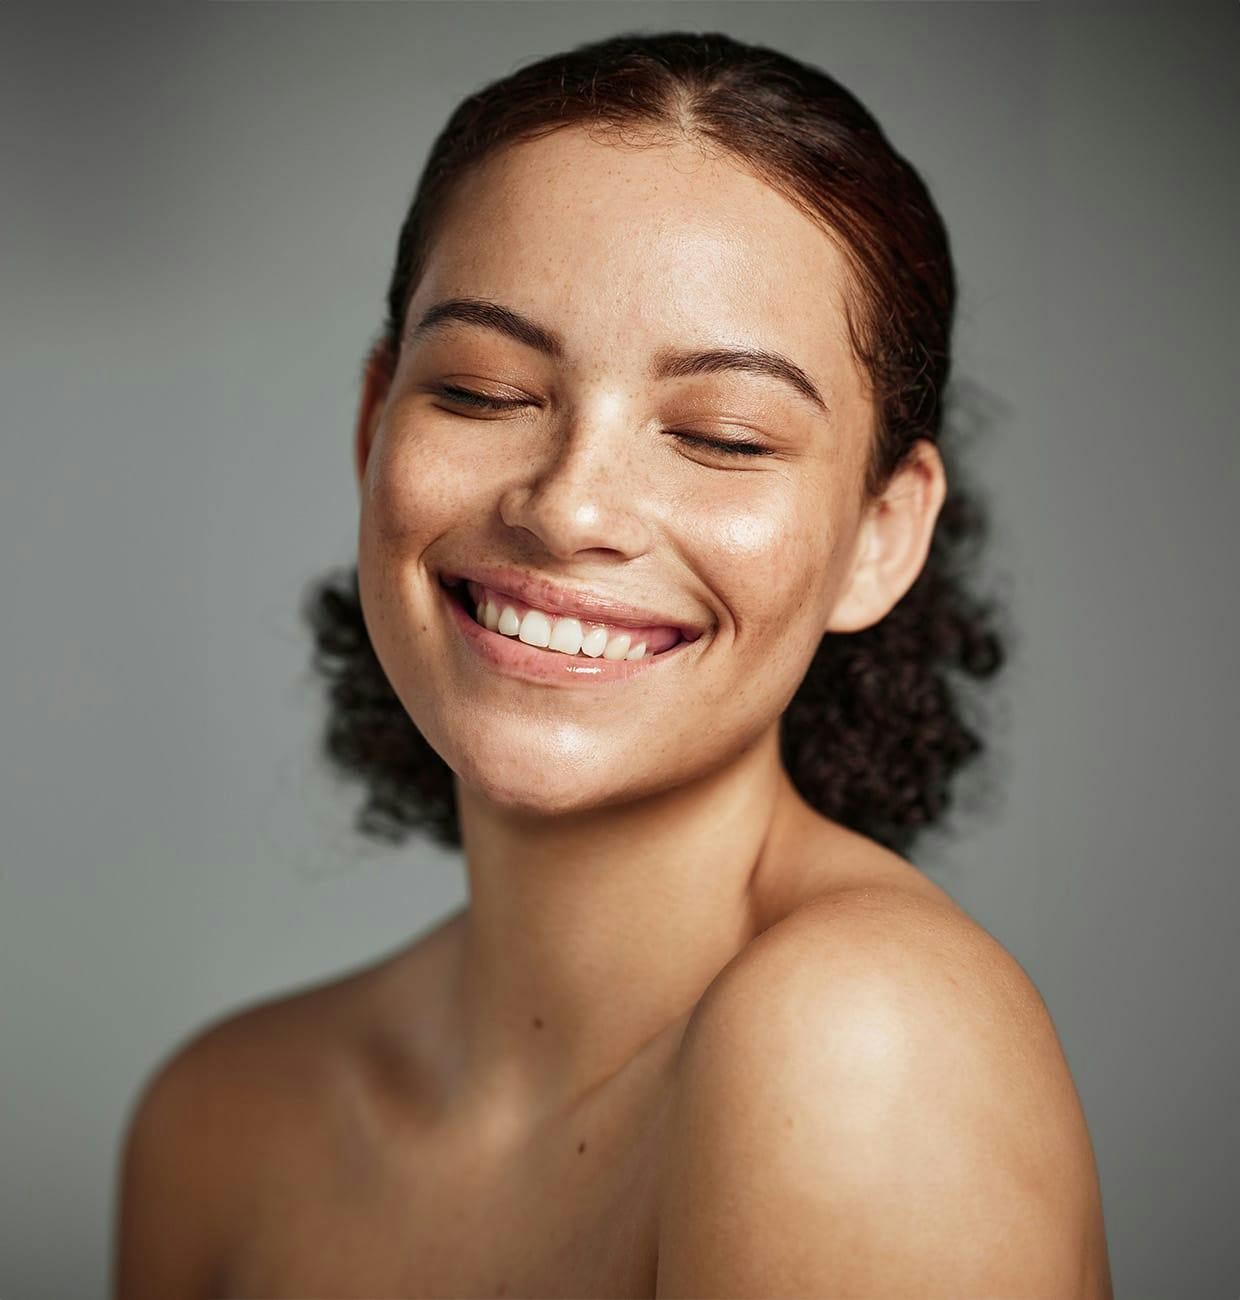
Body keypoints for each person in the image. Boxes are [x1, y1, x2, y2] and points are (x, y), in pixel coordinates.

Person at [114, 30, 1113, 1299]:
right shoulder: (217, 1120)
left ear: (881, 534)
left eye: (721, 434)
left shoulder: (865, 1046)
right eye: (480, 391)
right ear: (375, 427)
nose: (569, 506)